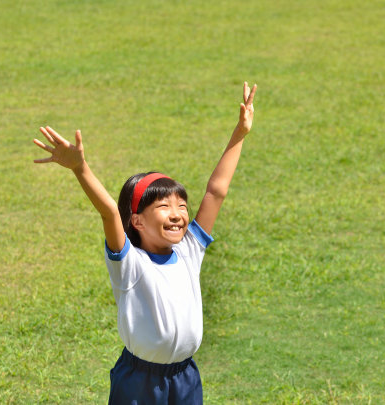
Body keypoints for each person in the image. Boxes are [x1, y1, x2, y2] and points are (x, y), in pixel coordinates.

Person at [32, 82, 257, 404]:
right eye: (163, 207)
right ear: (136, 220)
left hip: (185, 376)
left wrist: (240, 133)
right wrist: (80, 168)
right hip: (140, 381)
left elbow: (215, 192)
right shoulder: (129, 264)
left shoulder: (189, 250)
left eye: (181, 206)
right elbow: (110, 211)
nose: (178, 214)